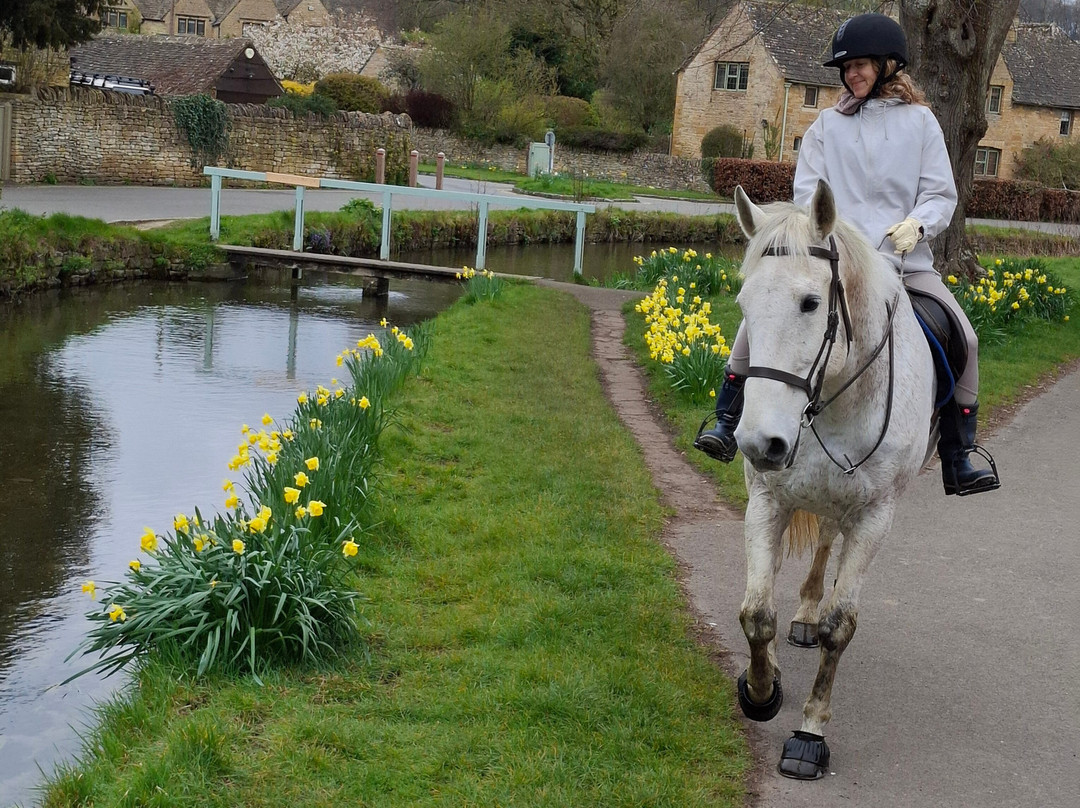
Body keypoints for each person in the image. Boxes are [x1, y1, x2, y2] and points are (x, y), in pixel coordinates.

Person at [694, 12, 1000, 496]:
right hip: (834, 263)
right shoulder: (824, 127)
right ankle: (725, 418)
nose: (851, 74)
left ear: (886, 65)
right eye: (846, 67)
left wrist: (917, 225)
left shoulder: (921, 123)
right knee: (758, 320)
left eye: (859, 65)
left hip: (904, 265)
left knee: (968, 338)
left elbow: (941, 193)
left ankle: (959, 455)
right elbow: (805, 196)